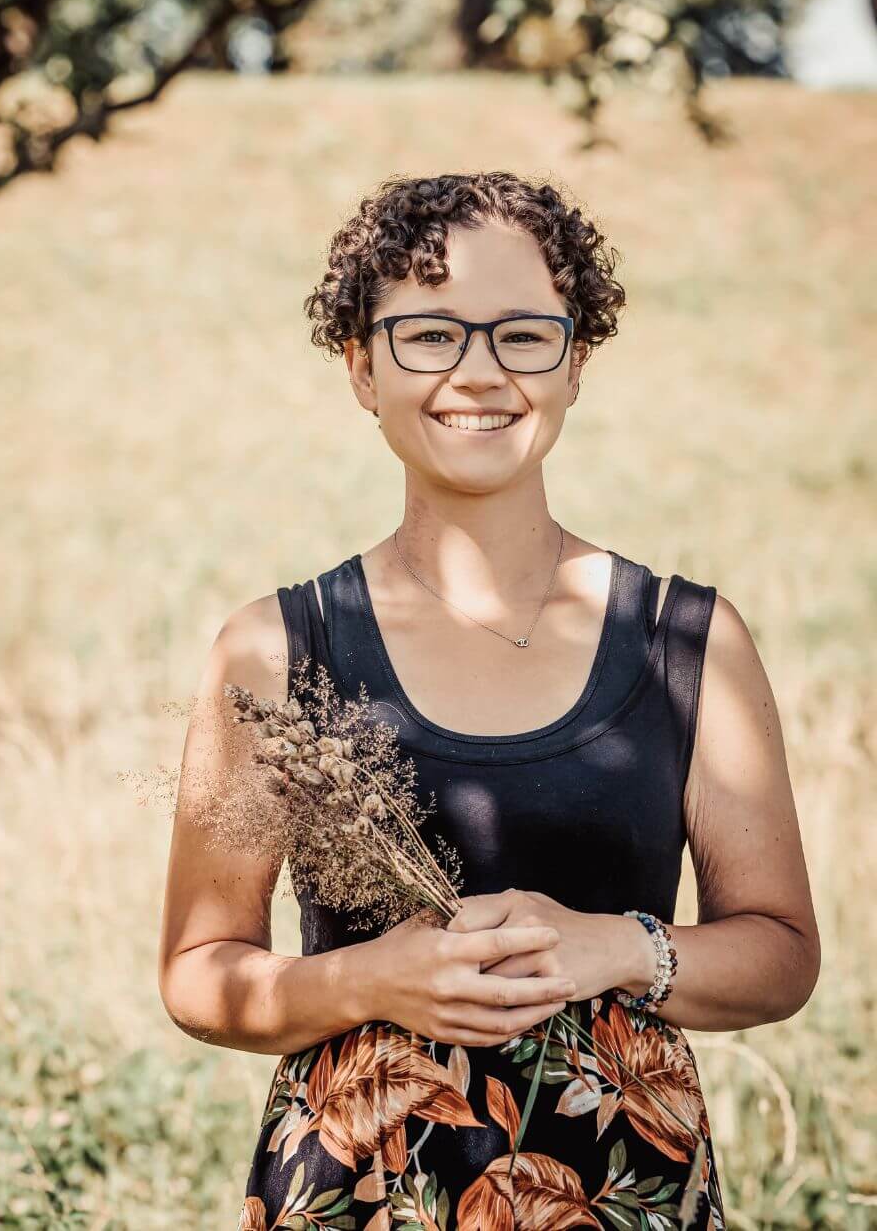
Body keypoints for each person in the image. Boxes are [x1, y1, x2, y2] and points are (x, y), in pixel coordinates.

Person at [158, 172, 821, 1229]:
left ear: (577, 363)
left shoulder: (688, 641)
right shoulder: (274, 649)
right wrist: (371, 981)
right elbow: (200, 973)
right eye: (429, 335)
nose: (479, 371)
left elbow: (782, 956)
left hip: (622, 1192)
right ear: (361, 368)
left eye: (524, 335)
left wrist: (619, 947)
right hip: (359, 1191)